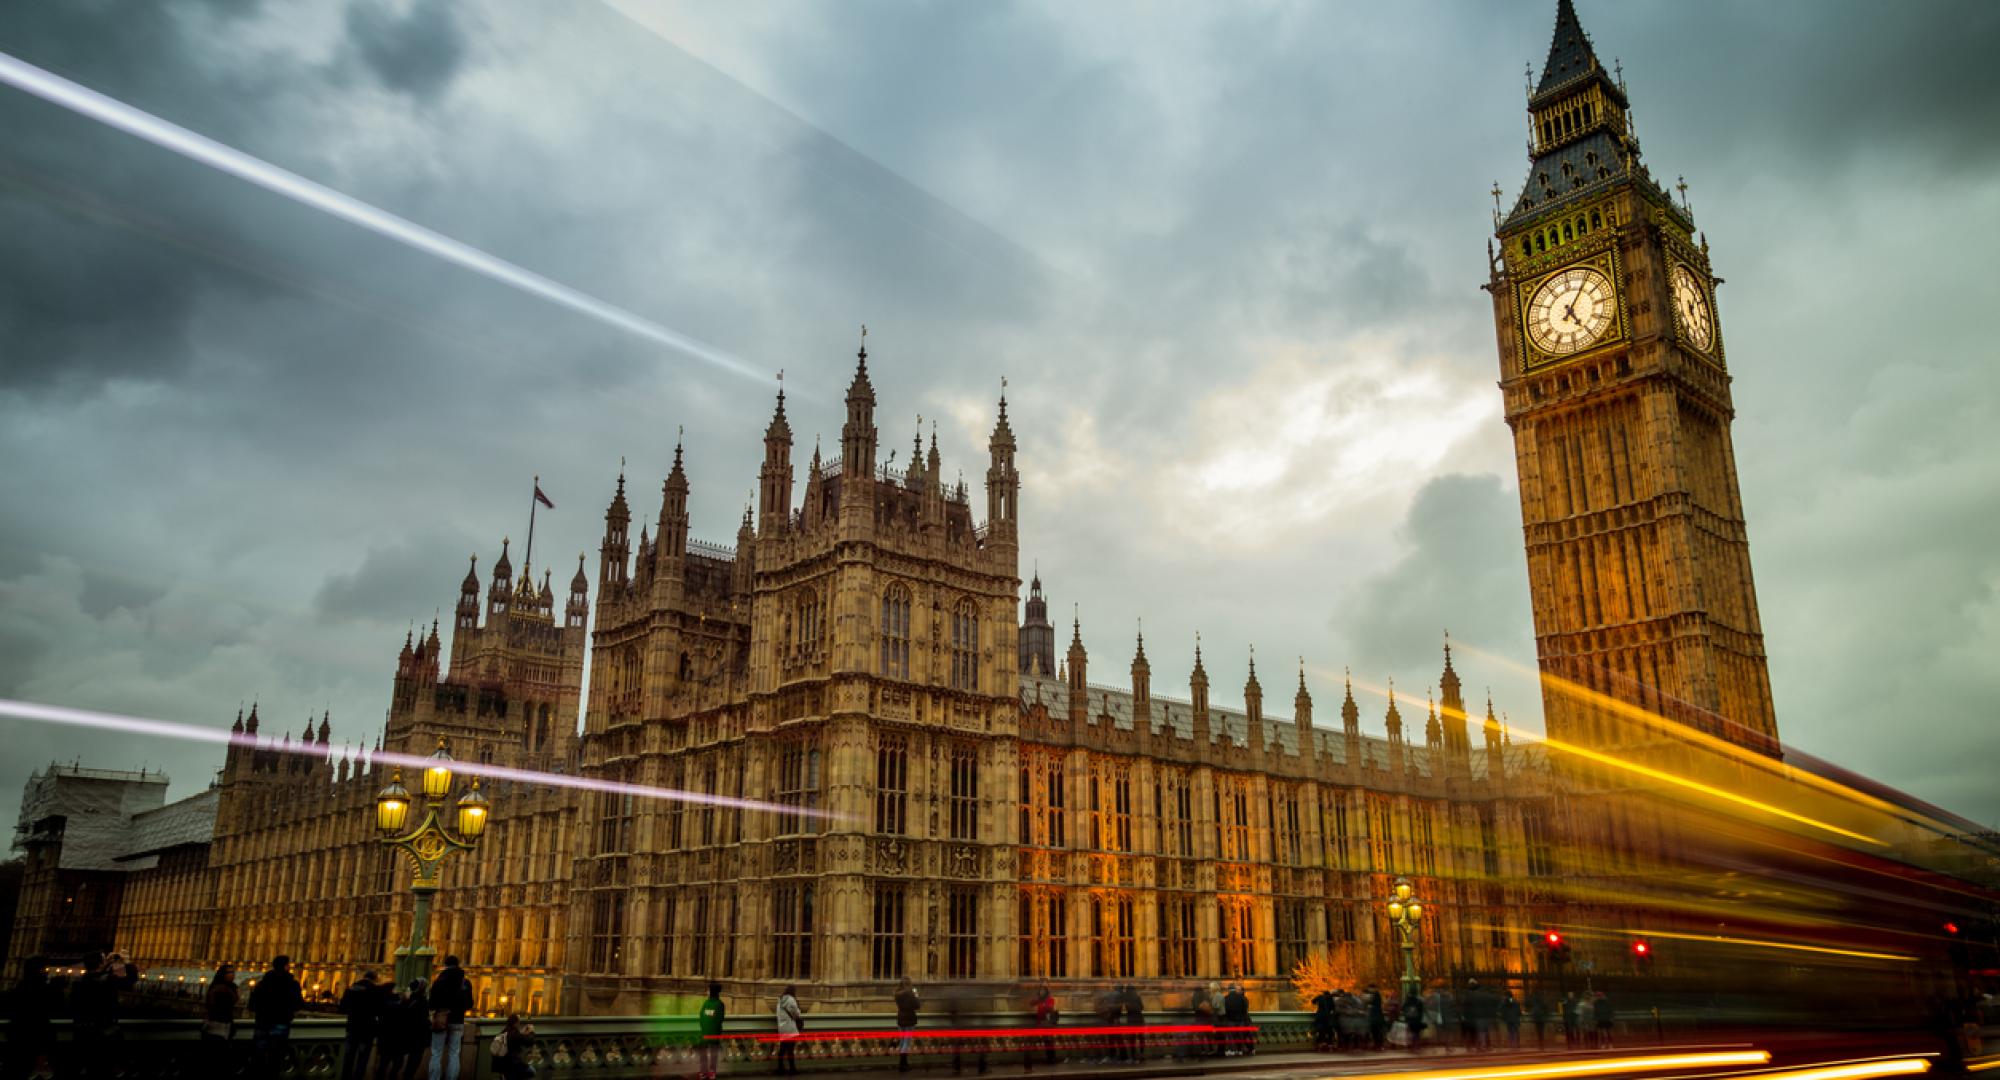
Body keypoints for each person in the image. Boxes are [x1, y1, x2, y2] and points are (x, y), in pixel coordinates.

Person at [248, 955, 303, 1080]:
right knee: (276, 1055)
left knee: (258, 1055)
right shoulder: (292, 984)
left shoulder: (262, 983)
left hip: (263, 1022)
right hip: (281, 1022)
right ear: (285, 966)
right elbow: (298, 1004)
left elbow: (252, 1005)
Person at [7, 957, 61, 1080]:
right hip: (36, 1041)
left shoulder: (19, 988)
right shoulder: (44, 990)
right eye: (45, 969)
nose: (47, 972)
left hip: (19, 1038)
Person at [428, 955, 476, 1080]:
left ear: (445, 964)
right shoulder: (465, 982)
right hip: (458, 1020)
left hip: (441, 1019)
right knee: (454, 1053)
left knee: (436, 1053)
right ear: (458, 964)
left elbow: (432, 1002)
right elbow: (469, 1004)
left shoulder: (439, 981)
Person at [338, 970, 381, 1080]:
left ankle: (345, 1076)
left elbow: (342, 1008)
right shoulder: (375, 990)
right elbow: (379, 1010)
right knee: (363, 1057)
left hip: (352, 1026)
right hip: (367, 1029)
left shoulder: (351, 988)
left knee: (348, 1055)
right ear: (374, 978)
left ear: (364, 976)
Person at [201, 964, 240, 1074]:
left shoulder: (228, 987)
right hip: (216, 1027)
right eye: (229, 972)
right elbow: (212, 1006)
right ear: (222, 974)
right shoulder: (220, 988)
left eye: (233, 972)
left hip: (224, 1027)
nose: (232, 975)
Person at [491, 1013, 537, 1080]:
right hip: (512, 1064)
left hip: (501, 1065)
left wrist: (522, 1032)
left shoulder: (504, 1032)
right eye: (518, 1022)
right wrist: (532, 1032)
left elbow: (517, 1037)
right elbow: (529, 1042)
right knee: (532, 1071)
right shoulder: (515, 1034)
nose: (519, 1024)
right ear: (515, 1023)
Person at [696, 982, 726, 1080]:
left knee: (703, 1053)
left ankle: (703, 1072)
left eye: (708, 990)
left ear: (711, 992)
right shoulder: (720, 1004)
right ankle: (712, 1072)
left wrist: (705, 1028)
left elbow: (701, 1017)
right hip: (715, 1034)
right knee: (714, 1053)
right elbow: (720, 1019)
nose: (707, 992)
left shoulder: (705, 1003)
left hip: (704, 1033)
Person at [775, 984, 805, 1075]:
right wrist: (799, 1012)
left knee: (783, 1049)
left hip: (782, 1027)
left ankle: (780, 1068)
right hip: (790, 1028)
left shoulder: (780, 1000)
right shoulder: (791, 1000)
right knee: (790, 1049)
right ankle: (792, 1069)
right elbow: (796, 1014)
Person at [1028, 983, 1058, 1071]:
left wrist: (1043, 1004)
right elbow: (1031, 1003)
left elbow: (1050, 1008)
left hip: (1047, 1024)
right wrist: (1037, 998)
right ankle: (1032, 1061)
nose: (1041, 992)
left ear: (1046, 991)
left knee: (1049, 1042)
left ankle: (1051, 1059)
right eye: (1040, 990)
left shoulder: (1050, 999)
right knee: (1044, 1042)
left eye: (1043, 990)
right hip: (1040, 1023)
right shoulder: (1039, 999)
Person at [894, 978, 920, 1073]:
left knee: (902, 1042)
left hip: (900, 1018)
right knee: (906, 1042)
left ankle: (904, 1064)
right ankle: (902, 1065)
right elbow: (917, 1005)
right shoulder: (910, 993)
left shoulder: (897, 994)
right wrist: (916, 995)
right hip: (909, 1018)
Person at [1221, 983, 1251, 1057]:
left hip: (1231, 1020)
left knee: (1231, 1036)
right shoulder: (1241, 997)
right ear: (1234, 989)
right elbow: (1245, 1010)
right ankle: (1240, 1050)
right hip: (1240, 1020)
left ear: (1228, 989)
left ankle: (1233, 1050)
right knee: (1240, 1036)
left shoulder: (1226, 998)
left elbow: (1225, 1010)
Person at [1365, 986, 1387, 1051]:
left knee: (1377, 1031)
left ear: (1373, 988)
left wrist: (1370, 1006)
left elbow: (1376, 1005)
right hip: (1376, 1017)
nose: (1369, 990)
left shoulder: (1376, 995)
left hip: (1376, 1017)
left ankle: (1379, 1045)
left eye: (1370, 988)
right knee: (1375, 1031)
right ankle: (1377, 1045)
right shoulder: (1375, 995)